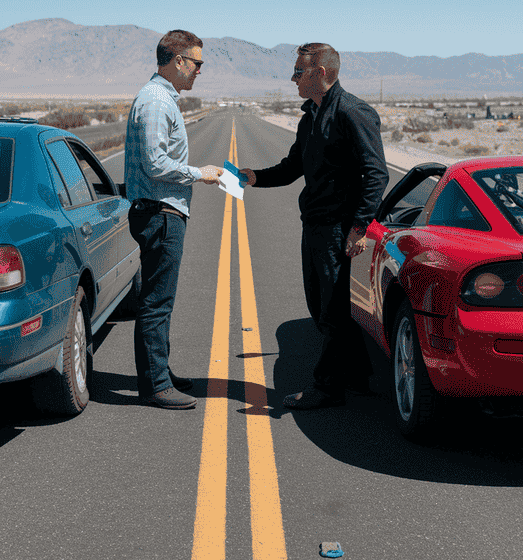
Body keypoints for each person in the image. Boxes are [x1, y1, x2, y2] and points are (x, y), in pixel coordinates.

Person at [240, 43, 388, 409]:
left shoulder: (352, 113)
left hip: (340, 229)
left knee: (332, 310)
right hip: (317, 225)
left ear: (321, 72)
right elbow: (293, 168)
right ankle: (356, 376)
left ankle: (327, 387)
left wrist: (358, 229)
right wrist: (253, 177)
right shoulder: (310, 117)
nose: (292, 79)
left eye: (298, 72)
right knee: (323, 303)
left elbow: (376, 174)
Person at [124, 30, 223, 409]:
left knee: (160, 299)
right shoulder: (154, 102)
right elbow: (155, 163)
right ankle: (155, 385)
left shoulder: (161, 99)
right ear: (178, 61)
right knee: (156, 302)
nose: (199, 71)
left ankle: (159, 372)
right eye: (197, 63)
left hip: (162, 210)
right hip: (160, 212)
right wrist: (201, 173)